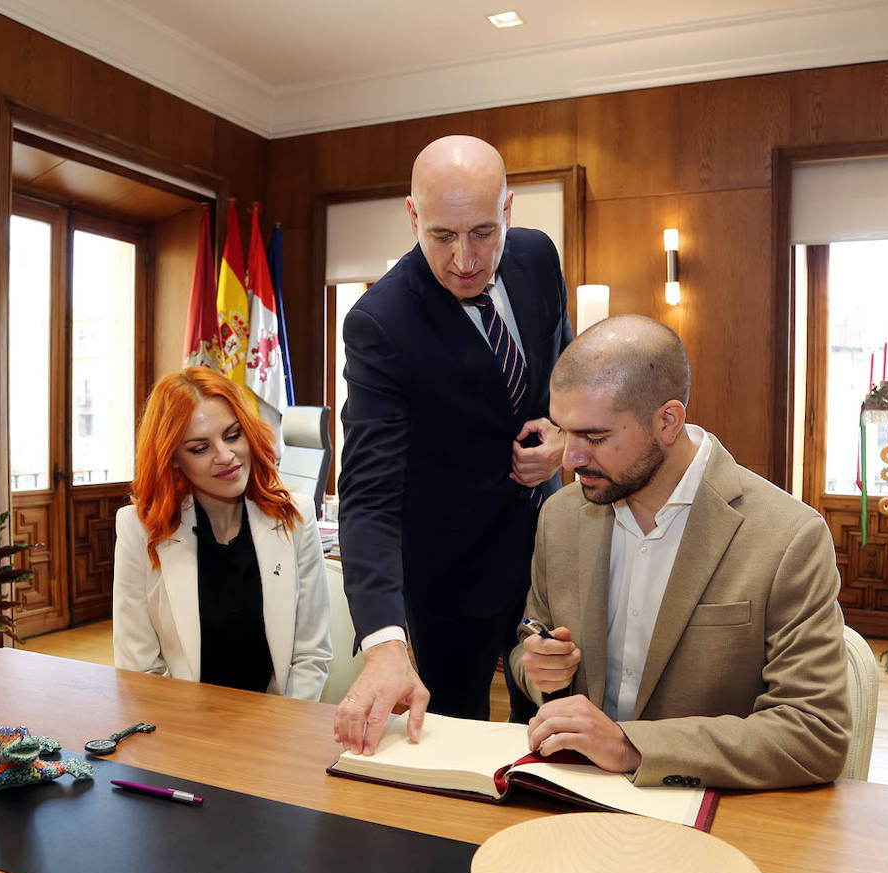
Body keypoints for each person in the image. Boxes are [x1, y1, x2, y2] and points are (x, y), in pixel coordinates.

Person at [512, 315, 851, 789]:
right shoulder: (561, 517)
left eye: (595, 438)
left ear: (668, 421)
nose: (569, 459)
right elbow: (531, 643)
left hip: (715, 823)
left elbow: (816, 732)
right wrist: (540, 670)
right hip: (574, 798)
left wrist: (632, 747)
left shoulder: (788, 536)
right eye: (565, 433)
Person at [333, 135, 572, 753]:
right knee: (447, 749)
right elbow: (368, 496)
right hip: (446, 585)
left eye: (483, 233)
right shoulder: (380, 323)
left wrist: (565, 437)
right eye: (442, 236)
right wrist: (385, 642)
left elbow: (568, 378)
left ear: (509, 211)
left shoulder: (539, 258)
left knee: (554, 740)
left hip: (548, 568)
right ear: (413, 216)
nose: (465, 259)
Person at [113, 366, 332, 700]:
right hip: (184, 732)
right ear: (172, 459)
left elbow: (310, 657)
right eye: (200, 448)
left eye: (232, 435)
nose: (226, 456)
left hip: (280, 727)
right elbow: (139, 671)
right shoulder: (138, 530)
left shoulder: (296, 517)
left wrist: (283, 735)